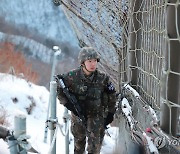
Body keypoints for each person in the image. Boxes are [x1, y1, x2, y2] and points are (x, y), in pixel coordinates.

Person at [56, 47, 116, 154]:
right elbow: (59, 86)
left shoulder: (103, 78)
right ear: (83, 62)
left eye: (95, 61)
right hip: (78, 116)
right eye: (89, 61)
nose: (93, 64)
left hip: (96, 118)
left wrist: (110, 113)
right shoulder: (73, 76)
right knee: (79, 147)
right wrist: (68, 104)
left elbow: (112, 95)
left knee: (94, 149)